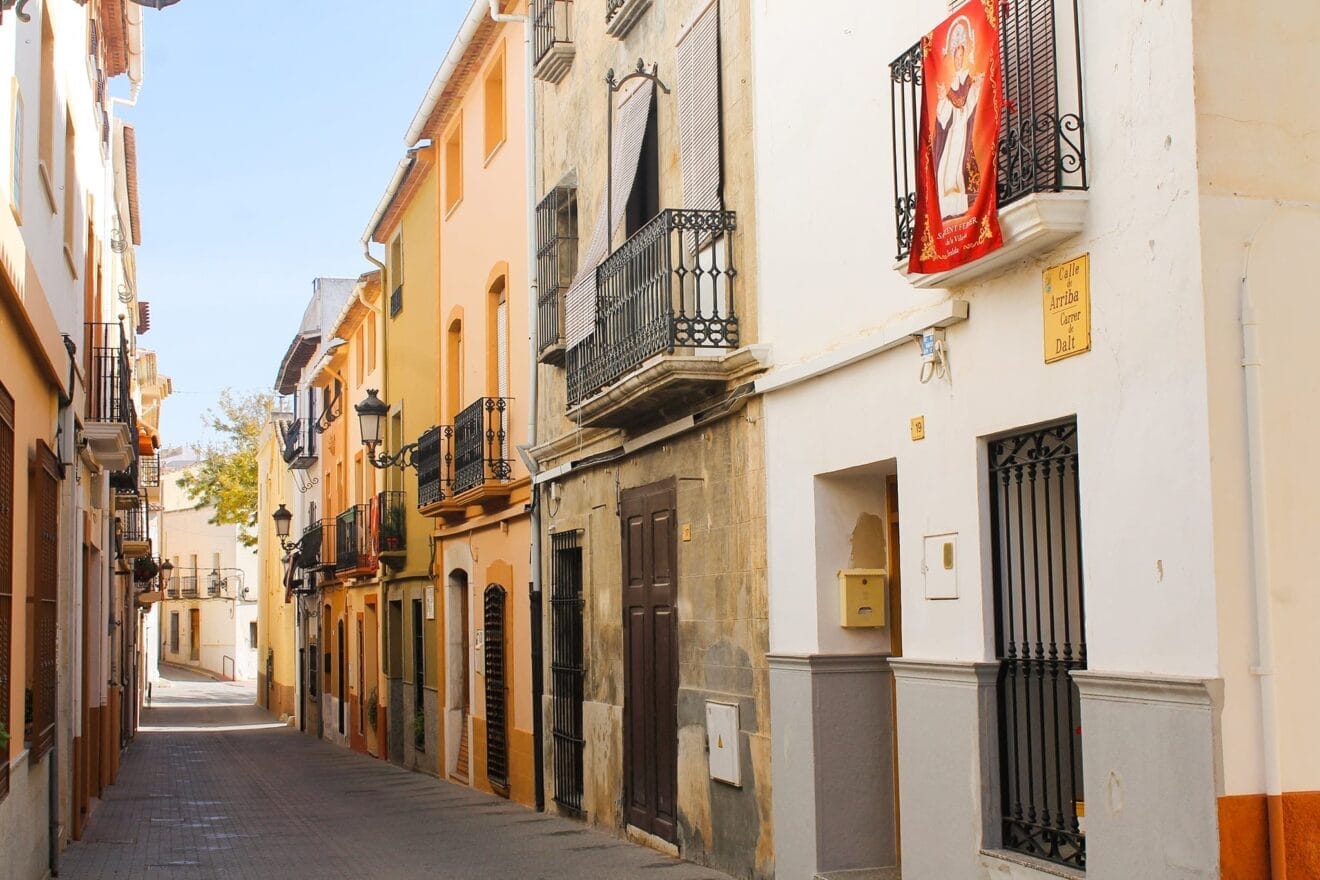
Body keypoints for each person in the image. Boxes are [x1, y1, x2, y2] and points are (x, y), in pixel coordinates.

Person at [932, 17, 985, 220]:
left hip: (963, 130)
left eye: (960, 55)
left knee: (960, 167)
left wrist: (978, 87)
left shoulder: (969, 80)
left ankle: (963, 200)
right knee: (945, 168)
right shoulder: (952, 83)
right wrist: (940, 99)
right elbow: (943, 115)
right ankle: (947, 207)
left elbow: (970, 103)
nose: (957, 60)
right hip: (953, 133)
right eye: (955, 56)